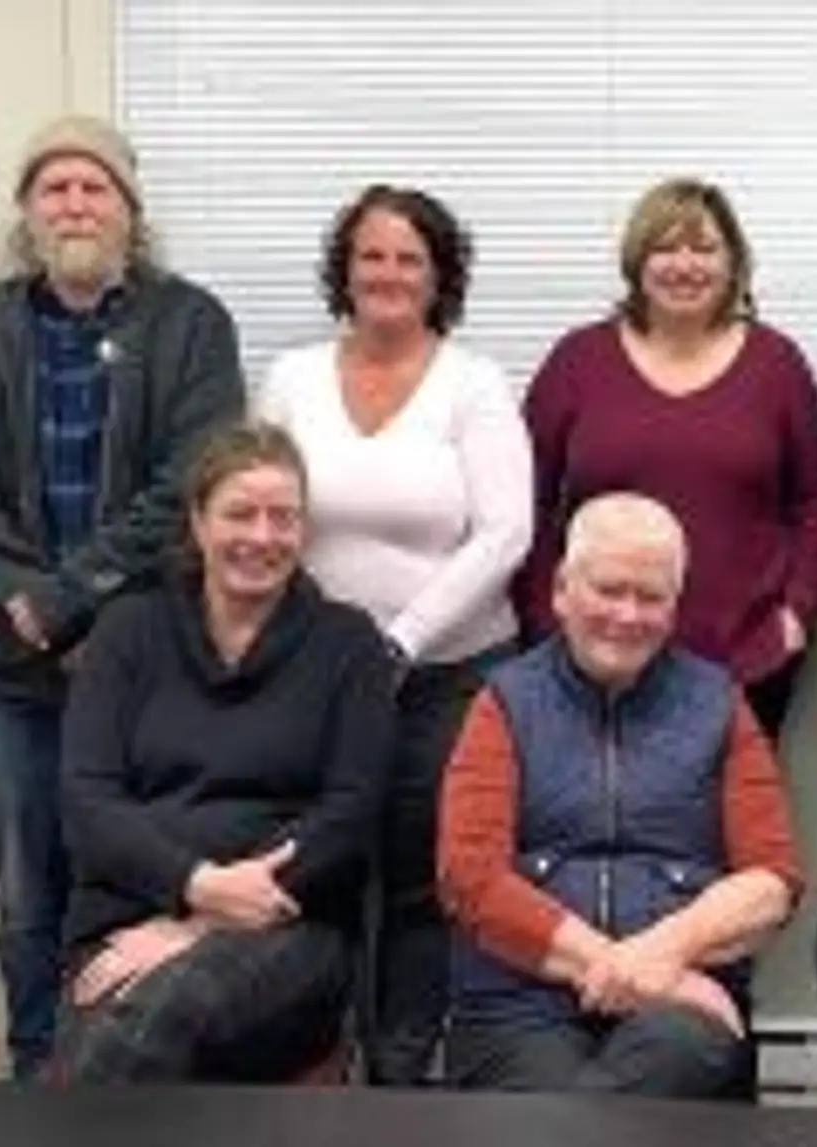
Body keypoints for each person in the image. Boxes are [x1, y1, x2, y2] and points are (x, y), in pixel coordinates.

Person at [0, 114, 245, 1078]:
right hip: (17, 668)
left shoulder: (190, 324)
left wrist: (71, 602)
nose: (74, 203)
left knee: (144, 874)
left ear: (128, 209)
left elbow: (193, 478)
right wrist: (32, 609)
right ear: (27, 211)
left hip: (148, 657)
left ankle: (124, 1063)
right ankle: (35, 1070)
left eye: (93, 186)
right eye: (53, 187)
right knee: (28, 885)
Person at [258, 184, 531, 1086]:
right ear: (344, 268)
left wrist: (402, 639)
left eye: (409, 258)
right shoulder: (292, 378)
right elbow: (259, 512)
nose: (388, 274)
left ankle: (406, 1079)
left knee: (419, 885)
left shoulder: (474, 382)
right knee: (320, 873)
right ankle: (319, 1067)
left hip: (448, 676)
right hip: (313, 676)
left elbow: (506, 532)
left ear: (439, 275)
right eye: (371, 255)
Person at [48, 421, 397, 1083]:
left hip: (291, 932)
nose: (262, 537)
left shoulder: (348, 644)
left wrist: (200, 922)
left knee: (161, 1013)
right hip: (127, 921)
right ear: (198, 521)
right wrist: (192, 885)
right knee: (107, 1032)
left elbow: (349, 814)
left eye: (283, 517)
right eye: (240, 513)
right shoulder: (128, 631)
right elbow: (88, 801)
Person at [439, 493, 804, 1100]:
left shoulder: (720, 704)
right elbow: (471, 879)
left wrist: (665, 955)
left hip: (679, 1008)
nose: (628, 614)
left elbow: (771, 879)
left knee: (658, 1067)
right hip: (518, 1004)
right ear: (562, 590)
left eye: (651, 596)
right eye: (609, 589)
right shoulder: (502, 702)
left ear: (675, 606)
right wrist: (624, 969)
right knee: (552, 1099)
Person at [516, 177, 817, 741]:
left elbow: (812, 504)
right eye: (666, 247)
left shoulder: (777, 366)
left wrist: (795, 617)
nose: (685, 265)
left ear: (732, 261)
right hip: (599, 659)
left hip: (745, 663)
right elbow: (529, 502)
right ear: (638, 259)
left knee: (734, 824)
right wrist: (548, 621)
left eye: (704, 248)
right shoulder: (578, 362)